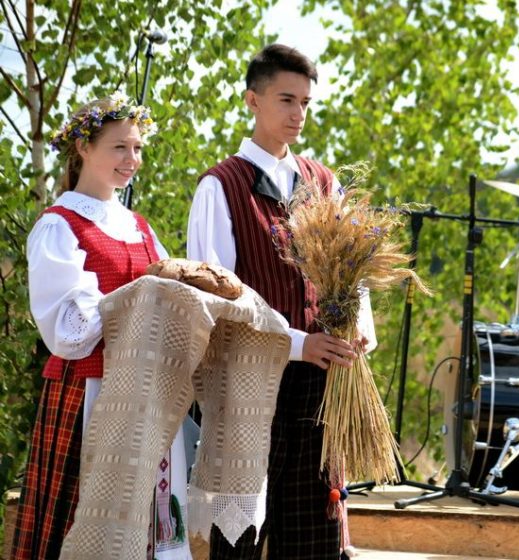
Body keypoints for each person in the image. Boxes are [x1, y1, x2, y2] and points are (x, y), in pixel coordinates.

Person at [187, 44, 374, 559]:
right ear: (252, 99)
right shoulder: (220, 186)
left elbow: (353, 270)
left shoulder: (323, 181)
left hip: (320, 386)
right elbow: (217, 300)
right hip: (249, 384)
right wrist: (297, 343)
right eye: (286, 99)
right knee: (239, 541)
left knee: (315, 538)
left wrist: (355, 333)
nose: (298, 114)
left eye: (307, 102)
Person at [11, 95, 192, 560]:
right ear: (84, 149)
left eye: (137, 148)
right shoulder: (59, 226)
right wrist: (139, 298)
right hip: (89, 391)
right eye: (119, 148)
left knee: (141, 527)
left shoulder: (140, 226)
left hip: (145, 393)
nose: (131, 160)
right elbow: (68, 331)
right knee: (82, 523)